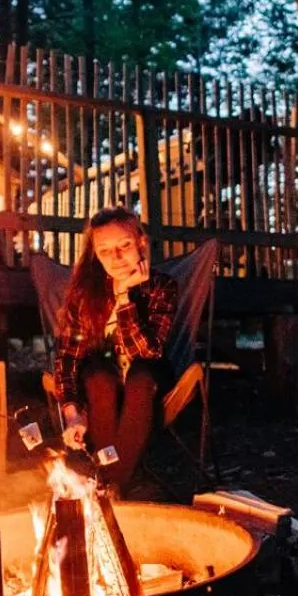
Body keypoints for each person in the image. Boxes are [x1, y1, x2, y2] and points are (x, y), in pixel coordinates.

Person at [52, 207, 177, 488]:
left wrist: (124, 297)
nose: (117, 258)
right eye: (105, 250)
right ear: (95, 252)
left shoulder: (162, 287)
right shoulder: (85, 293)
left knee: (141, 377)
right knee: (98, 377)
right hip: (102, 381)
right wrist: (72, 414)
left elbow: (147, 351)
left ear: (141, 243)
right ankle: (113, 484)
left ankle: (109, 485)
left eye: (125, 245)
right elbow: (68, 357)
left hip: (149, 377)